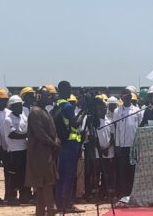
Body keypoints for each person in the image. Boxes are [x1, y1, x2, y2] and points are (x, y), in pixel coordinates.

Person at [25, 86, 60, 216]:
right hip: (39, 154)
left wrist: (56, 141)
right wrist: (54, 143)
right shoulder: (35, 112)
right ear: (40, 97)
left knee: (43, 184)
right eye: (48, 95)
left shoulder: (45, 112)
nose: (50, 97)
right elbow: (40, 133)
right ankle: (51, 210)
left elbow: (53, 131)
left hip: (48, 152)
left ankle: (40, 212)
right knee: (45, 183)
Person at [53, 81, 85, 213]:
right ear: (64, 90)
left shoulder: (58, 105)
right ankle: (68, 204)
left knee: (61, 174)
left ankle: (60, 202)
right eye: (69, 89)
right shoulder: (67, 106)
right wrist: (84, 113)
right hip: (71, 144)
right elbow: (75, 124)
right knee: (69, 174)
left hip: (63, 143)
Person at [113, 89, 142, 197]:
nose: (126, 99)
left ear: (131, 97)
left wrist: (139, 144)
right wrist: (117, 145)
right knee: (122, 169)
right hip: (122, 145)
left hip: (133, 145)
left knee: (132, 169)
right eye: (124, 97)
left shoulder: (137, 110)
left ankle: (132, 192)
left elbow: (139, 127)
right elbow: (116, 129)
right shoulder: (117, 111)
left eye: (128, 97)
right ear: (122, 99)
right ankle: (123, 192)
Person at [4, 95, 31, 205]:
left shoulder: (23, 117)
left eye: (21, 105)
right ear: (12, 107)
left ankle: (23, 196)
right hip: (14, 151)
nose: (20, 108)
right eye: (18, 106)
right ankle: (11, 197)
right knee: (14, 175)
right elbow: (13, 134)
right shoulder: (8, 119)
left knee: (23, 174)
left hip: (24, 149)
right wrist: (28, 134)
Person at [93, 98, 115, 200]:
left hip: (109, 152)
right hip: (98, 152)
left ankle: (106, 193)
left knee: (108, 174)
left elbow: (113, 136)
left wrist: (107, 147)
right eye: (101, 108)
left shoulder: (109, 121)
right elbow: (92, 137)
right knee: (97, 174)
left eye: (105, 108)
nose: (104, 109)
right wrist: (100, 149)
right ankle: (97, 194)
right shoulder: (94, 122)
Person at [0, 88, 10, 202]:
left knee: (9, 173)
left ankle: (9, 195)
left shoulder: (9, 112)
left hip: (8, 148)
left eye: (5, 100)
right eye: (1, 100)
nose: (3, 102)